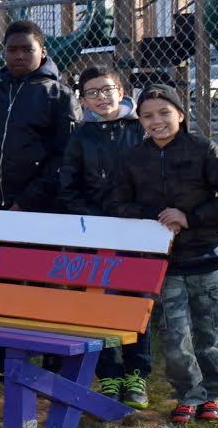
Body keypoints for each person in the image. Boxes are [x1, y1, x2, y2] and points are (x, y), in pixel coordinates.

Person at [113, 85, 218, 424]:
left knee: (209, 333)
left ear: (181, 115)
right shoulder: (133, 158)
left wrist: (190, 218)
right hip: (165, 264)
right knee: (175, 336)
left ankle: (215, 394)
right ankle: (188, 393)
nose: (156, 121)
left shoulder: (203, 150)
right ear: (140, 120)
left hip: (206, 259)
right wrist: (157, 218)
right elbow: (118, 204)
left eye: (164, 113)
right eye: (147, 116)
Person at [0, 19, 78, 380]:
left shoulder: (59, 97)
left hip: (40, 214)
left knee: (45, 284)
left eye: (27, 49)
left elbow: (66, 157)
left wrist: (26, 202)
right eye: (12, 49)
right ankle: (5, 359)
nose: (19, 55)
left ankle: (53, 362)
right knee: (1, 285)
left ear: (43, 51)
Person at [57, 65, 151, 408]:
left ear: (121, 92)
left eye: (107, 89)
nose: (102, 97)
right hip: (98, 236)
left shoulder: (140, 129)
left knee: (136, 303)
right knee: (101, 304)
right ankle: (109, 374)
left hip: (136, 234)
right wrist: (97, 221)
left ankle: (137, 374)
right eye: (92, 92)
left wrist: (137, 214)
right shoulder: (81, 136)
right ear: (83, 100)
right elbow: (69, 187)